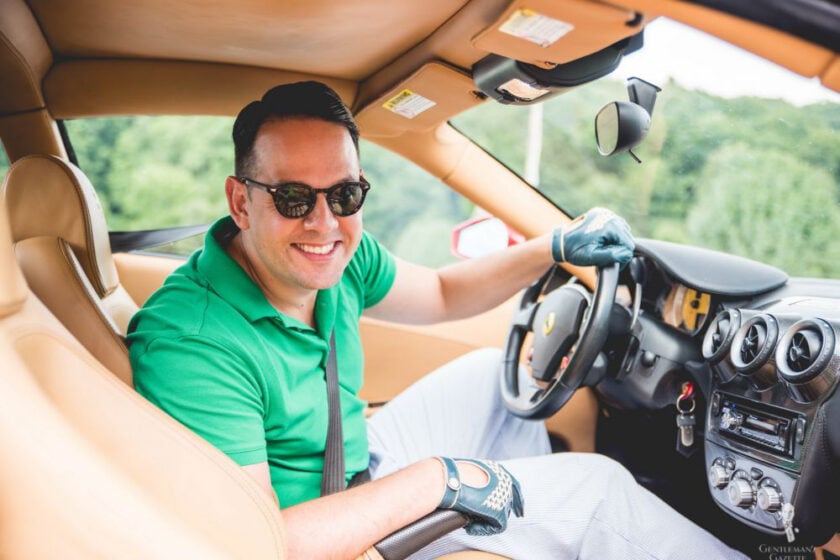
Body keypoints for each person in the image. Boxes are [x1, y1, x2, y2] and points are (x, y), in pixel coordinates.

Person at [127, 81, 746, 559]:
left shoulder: (341, 253)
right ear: (241, 201)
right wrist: (439, 482)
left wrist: (554, 247)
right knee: (596, 488)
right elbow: (259, 543)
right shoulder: (194, 339)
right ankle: (544, 518)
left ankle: (518, 528)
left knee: (490, 379)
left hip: (355, 465)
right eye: (293, 198)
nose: (323, 223)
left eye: (344, 195)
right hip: (319, 528)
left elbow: (445, 294)